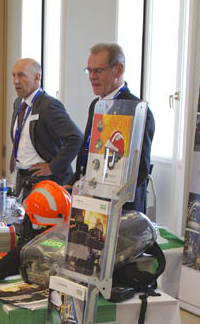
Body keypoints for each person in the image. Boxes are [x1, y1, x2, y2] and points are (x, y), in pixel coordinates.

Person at [72, 43, 155, 213]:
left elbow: (140, 170)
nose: (92, 77)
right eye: (89, 71)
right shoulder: (96, 105)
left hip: (120, 209)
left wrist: (104, 197)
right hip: (89, 201)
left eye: (98, 71)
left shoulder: (136, 110)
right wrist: (74, 182)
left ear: (118, 70)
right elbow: (89, 150)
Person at [9, 58, 82, 199]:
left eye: (21, 75)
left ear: (37, 77)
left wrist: (52, 166)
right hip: (22, 178)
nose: (16, 81)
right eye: (14, 75)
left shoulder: (49, 105)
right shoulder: (18, 103)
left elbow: (76, 137)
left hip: (45, 180)